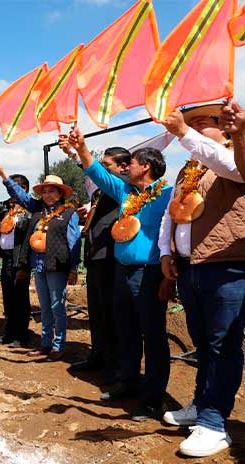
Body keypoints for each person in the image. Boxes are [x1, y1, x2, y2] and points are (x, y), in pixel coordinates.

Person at [157, 104, 245, 457]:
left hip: (226, 265)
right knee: (203, 343)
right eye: (189, 122)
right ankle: (200, 403)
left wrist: (182, 133)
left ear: (224, 129)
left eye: (202, 122)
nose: (193, 128)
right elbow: (170, 215)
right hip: (191, 265)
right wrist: (166, 252)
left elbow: (235, 170)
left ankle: (213, 422)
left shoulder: (230, 156)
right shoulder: (188, 170)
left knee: (224, 344)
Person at [68, 126, 172, 422]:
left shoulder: (166, 193)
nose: (128, 167)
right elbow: (96, 173)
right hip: (121, 272)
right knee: (125, 331)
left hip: (150, 273)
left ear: (146, 167)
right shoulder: (125, 191)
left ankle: (153, 399)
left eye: (134, 163)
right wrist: (81, 147)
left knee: (152, 336)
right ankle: (127, 383)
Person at [66, 147, 130, 385]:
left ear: (123, 167)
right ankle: (98, 355)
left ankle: (115, 366)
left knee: (110, 314)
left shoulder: (122, 184)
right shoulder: (100, 194)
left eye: (107, 165)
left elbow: (98, 177)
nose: (102, 169)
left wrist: (76, 155)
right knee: (97, 311)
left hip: (109, 256)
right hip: (95, 256)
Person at [17, 175, 80, 362]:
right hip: (39, 264)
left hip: (57, 265)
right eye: (44, 191)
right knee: (45, 306)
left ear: (60, 193)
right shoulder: (39, 214)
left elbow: (73, 241)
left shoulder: (69, 214)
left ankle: (58, 345)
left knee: (57, 305)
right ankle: (45, 343)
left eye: (52, 191)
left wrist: (74, 268)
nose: (47, 195)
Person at [0, 166, 33, 348]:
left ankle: (21, 334)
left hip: (19, 260)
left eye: (14, 187)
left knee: (20, 298)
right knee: (8, 297)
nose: (10, 192)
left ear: (23, 189)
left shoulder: (30, 211)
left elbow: (27, 241)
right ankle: (9, 332)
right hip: (7, 258)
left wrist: (24, 265)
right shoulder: (6, 208)